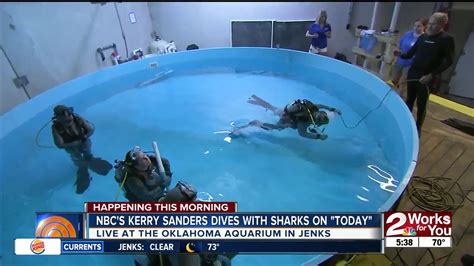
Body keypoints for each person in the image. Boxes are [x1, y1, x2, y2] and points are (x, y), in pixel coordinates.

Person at [394, 12, 454, 135]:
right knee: (409, 100)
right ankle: (406, 126)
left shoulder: (446, 39)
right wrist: (399, 54)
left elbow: (449, 61)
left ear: (443, 25)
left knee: (421, 105)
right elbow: (410, 54)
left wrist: (431, 75)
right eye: (429, 24)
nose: (429, 27)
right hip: (413, 73)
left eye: (433, 25)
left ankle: (418, 128)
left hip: (427, 77)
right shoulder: (423, 37)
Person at [51, 105, 112, 194]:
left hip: (84, 142)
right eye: (66, 121)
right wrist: (73, 144)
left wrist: (85, 136)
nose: (69, 121)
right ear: (59, 119)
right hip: (71, 147)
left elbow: (91, 130)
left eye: (70, 118)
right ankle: (83, 168)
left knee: (87, 154)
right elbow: (59, 145)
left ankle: (90, 160)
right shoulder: (56, 128)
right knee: (78, 159)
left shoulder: (77, 119)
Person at [232, 95, 341, 140]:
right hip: (286, 117)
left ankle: (255, 98)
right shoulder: (305, 122)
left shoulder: (314, 108)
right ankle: (256, 123)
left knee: (274, 109)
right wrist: (318, 137)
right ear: (318, 123)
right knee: (276, 127)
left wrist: (331, 109)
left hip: (287, 110)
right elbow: (302, 134)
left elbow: (322, 105)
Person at [390, 18, 428, 98]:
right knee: (394, 80)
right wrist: (396, 55)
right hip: (400, 60)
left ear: (424, 27)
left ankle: (399, 98)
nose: (416, 28)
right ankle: (393, 93)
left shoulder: (423, 38)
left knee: (403, 82)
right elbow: (399, 44)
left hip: (410, 63)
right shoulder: (407, 34)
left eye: (418, 26)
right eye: (415, 26)